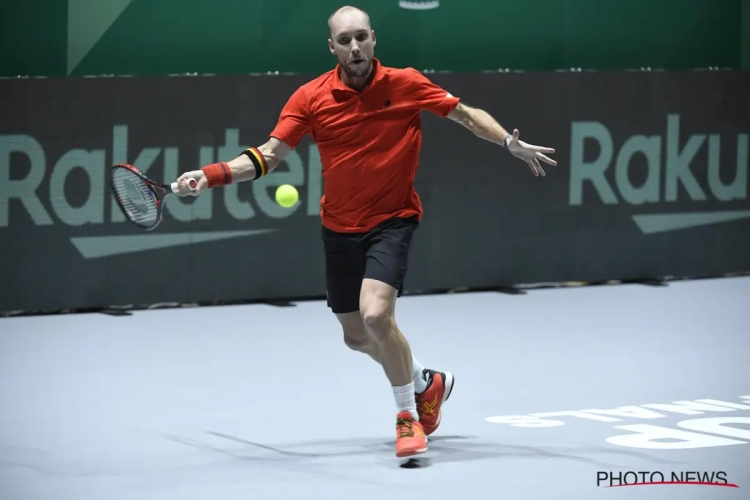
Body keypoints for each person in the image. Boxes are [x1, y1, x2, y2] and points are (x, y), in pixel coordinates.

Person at [175, 5, 556, 458]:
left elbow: (466, 115)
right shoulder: (309, 97)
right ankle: (424, 382)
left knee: (376, 317)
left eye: (361, 37)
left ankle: (407, 418)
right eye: (344, 40)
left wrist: (507, 142)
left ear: (374, 39)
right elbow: (268, 155)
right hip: (339, 227)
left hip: (392, 220)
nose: (354, 47)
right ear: (331, 47)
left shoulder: (406, 83)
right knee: (356, 336)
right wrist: (211, 174)